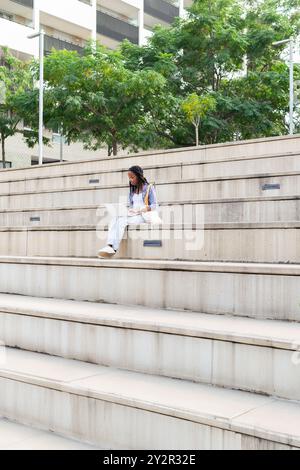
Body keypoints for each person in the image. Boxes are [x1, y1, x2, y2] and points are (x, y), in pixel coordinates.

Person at [97, 165, 159, 258]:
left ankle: (113, 248)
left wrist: (141, 209)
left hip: (144, 215)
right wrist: (130, 210)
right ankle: (109, 245)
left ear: (139, 176)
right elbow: (131, 205)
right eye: (129, 178)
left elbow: (154, 205)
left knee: (122, 221)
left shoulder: (149, 188)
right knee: (115, 217)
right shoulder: (132, 191)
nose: (130, 180)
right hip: (134, 214)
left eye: (132, 177)